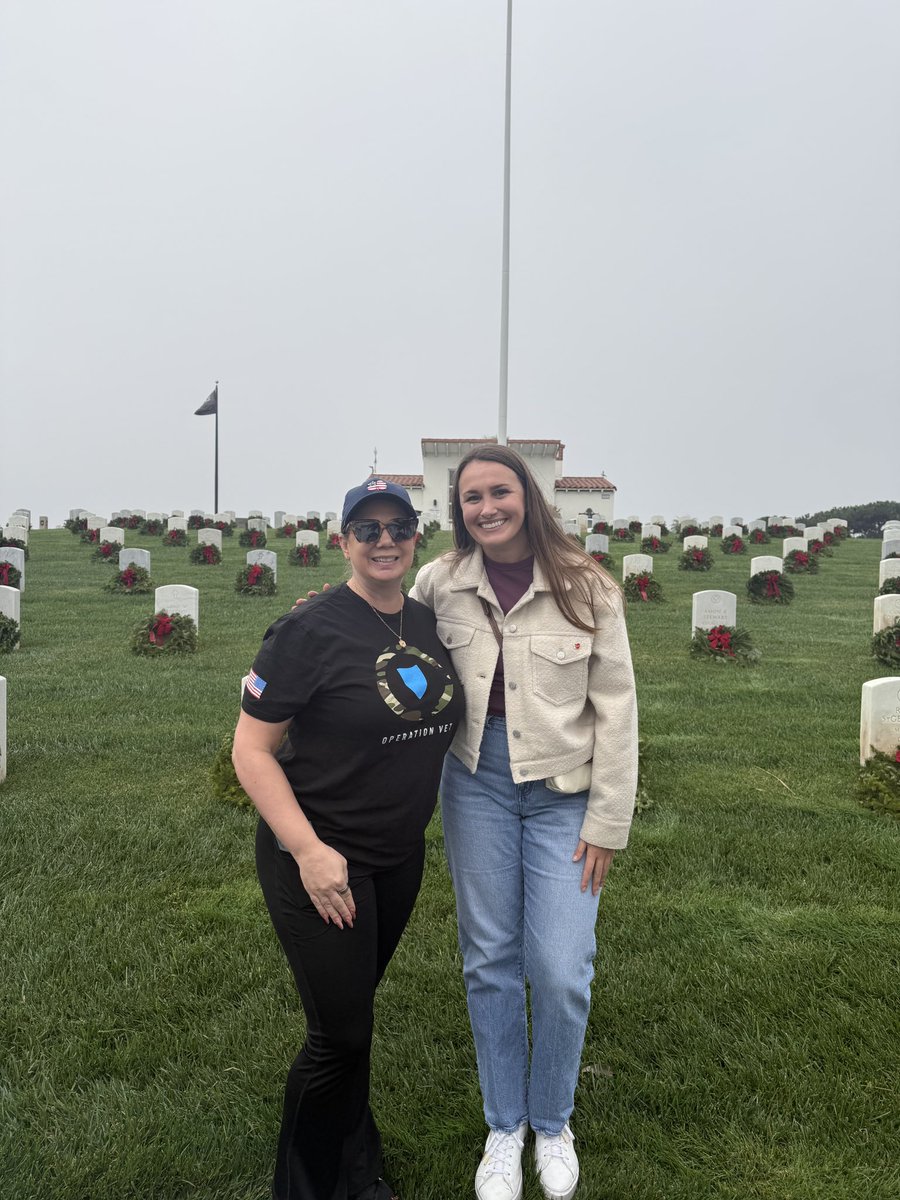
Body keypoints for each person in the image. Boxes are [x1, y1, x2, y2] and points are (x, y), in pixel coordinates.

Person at [411, 445, 638, 1200]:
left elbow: (617, 707)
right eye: (471, 498)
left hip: (563, 791)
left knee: (562, 967)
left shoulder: (586, 585)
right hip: (474, 779)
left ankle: (554, 1119)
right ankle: (505, 1125)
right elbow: (384, 641)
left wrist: (608, 819)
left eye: (499, 492)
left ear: (526, 496)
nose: (486, 508)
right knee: (490, 960)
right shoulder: (440, 583)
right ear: (458, 510)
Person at [233, 478, 464, 1200]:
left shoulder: (428, 625)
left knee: (353, 1018)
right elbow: (251, 751)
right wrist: (308, 851)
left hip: (397, 856)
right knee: (338, 1037)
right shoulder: (307, 630)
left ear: (415, 539)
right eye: (368, 529)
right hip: (321, 858)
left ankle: (355, 1167)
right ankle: (305, 1187)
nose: (385, 540)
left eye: (398, 526)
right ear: (344, 542)